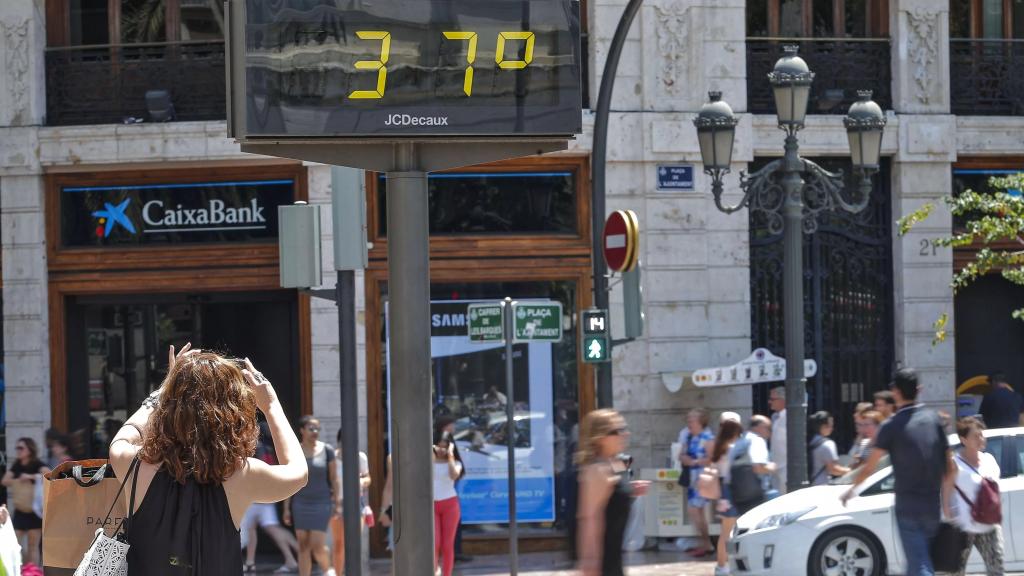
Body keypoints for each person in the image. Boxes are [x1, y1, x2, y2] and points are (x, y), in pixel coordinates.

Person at [107, 345, 309, 575]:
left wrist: (163, 391)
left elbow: (124, 436)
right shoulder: (241, 474)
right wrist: (272, 407)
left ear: (168, 408)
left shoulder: (133, 463)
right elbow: (298, 473)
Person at [842, 368, 957, 576]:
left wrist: (851, 490)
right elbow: (950, 468)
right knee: (918, 561)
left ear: (895, 392)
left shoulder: (891, 426)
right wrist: (947, 504)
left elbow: (869, 467)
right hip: (932, 507)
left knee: (919, 564)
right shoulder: (934, 420)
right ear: (919, 390)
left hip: (908, 507)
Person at [576, 409, 649, 576]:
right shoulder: (596, 470)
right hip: (603, 563)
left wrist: (631, 490)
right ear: (601, 437)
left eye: (624, 428)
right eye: (618, 431)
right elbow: (589, 519)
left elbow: (613, 496)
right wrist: (590, 562)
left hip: (615, 559)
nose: (625, 433)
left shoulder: (613, 463)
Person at [284, 416, 339, 576]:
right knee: (302, 545)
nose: (315, 432)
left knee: (317, 545)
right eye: (311, 428)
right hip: (300, 502)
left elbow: (334, 478)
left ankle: (327, 570)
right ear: (302, 430)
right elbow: (290, 479)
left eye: (317, 429)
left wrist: (337, 501)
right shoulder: (295, 450)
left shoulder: (327, 450)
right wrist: (286, 508)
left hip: (322, 501)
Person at [241, 423, 299, 573]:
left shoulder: (256, 448)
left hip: (254, 496)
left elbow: (254, 472)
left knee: (257, 528)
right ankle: (251, 561)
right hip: (264, 496)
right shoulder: (268, 448)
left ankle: (301, 551)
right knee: (263, 528)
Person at [950, 417, 1004, 576]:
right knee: (955, 571)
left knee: (997, 569)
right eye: (976, 436)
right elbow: (945, 491)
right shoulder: (954, 464)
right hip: (962, 526)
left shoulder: (989, 460)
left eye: (982, 434)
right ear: (963, 439)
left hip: (989, 524)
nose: (981, 439)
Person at [2, 438, 50, 566]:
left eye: (21, 448)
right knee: (14, 543)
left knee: (33, 544)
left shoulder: (37, 464)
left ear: (30, 450)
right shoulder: (17, 464)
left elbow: (49, 475)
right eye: (17, 448)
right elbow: (5, 481)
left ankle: (32, 572)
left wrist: (30, 477)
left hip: (35, 510)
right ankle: (18, 569)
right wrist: (18, 481)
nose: (18, 451)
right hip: (20, 509)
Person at [330, 427, 371, 573]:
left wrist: (361, 482)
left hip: (356, 502)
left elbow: (368, 477)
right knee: (339, 543)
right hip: (336, 503)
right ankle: (338, 573)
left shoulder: (360, 457)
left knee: (354, 542)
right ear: (339, 441)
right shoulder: (332, 457)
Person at [676, 408, 714, 558]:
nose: (689, 422)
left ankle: (706, 542)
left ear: (700, 422)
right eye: (688, 419)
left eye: (692, 420)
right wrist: (684, 458)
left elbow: (713, 458)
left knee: (694, 511)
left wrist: (695, 461)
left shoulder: (708, 438)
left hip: (702, 479)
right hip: (692, 479)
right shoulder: (689, 437)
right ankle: (705, 543)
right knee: (697, 513)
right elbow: (682, 453)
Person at [710, 412, 743, 576]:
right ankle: (722, 566)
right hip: (732, 489)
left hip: (725, 489)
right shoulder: (733, 448)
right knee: (729, 532)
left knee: (726, 531)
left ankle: (723, 566)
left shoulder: (719, 446)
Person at [433, 417, 465, 576]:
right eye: (439, 446)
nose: (441, 450)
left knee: (447, 544)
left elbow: (453, 475)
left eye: (445, 447)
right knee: (435, 542)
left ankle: (447, 574)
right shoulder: (428, 461)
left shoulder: (455, 463)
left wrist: (451, 455)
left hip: (450, 504)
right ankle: (433, 571)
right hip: (432, 505)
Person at [808, 411, 849, 486]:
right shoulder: (827, 444)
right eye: (830, 426)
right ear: (823, 426)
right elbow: (833, 469)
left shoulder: (809, 441)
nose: (832, 429)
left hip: (808, 483)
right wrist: (851, 471)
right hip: (821, 484)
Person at [768, 386, 787, 494]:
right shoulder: (775, 417)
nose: (769, 402)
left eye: (772, 399)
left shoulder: (790, 416)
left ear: (783, 400)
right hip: (775, 468)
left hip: (786, 468)